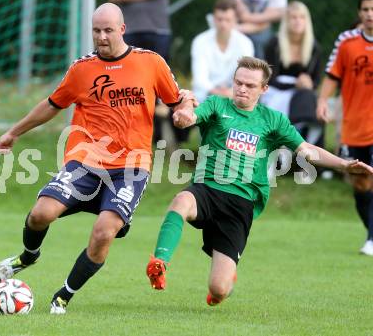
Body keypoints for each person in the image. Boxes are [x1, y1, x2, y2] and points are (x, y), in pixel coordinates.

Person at [0, 3, 191, 314]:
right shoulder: (82, 69)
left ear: (122, 29)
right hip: (85, 161)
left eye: (108, 30)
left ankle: (64, 296)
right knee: (41, 214)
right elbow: (53, 104)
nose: (102, 37)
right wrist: (14, 133)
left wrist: (184, 112)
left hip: (131, 167)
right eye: (96, 31)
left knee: (103, 232)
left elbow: (179, 100)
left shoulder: (150, 63)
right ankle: (29, 256)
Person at [145, 56, 373, 306]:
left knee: (219, 289)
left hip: (240, 203)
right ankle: (159, 262)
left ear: (264, 89)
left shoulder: (273, 120)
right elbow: (193, 116)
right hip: (207, 189)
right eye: (239, 82)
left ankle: (224, 283)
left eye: (250, 85)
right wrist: (184, 116)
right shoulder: (217, 105)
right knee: (181, 200)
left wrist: (343, 164)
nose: (242, 88)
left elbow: (306, 148)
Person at [317, 0, 373, 255]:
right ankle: (372, 234)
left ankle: (372, 239)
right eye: (365, 10)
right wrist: (322, 101)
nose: (369, 14)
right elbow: (332, 74)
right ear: (359, 13)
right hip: (354, 126)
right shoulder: (347, 41)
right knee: (361, 183)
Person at [106, 0, 189, 147]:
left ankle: (167, 140)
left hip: (159, 31)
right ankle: (124, 136)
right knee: (126, 85)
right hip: (128, 31)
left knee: (162, 85)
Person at [262, 1, 325, 168]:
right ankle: (283, 151)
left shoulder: (314, 47)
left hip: (302, 93)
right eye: (293, 17)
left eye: (301, 17)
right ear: (286, 21)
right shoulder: (274, 44)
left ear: (307, 21)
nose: (297, 21)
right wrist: (296, 85)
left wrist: (308, 84)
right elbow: (269, 77)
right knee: (297, 99)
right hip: (276, 90)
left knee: (310, 101)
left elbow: (316, 80)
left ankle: (311, 155)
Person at [191, 0, 254, 103]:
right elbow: (200, 79)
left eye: (228, 20)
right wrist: (217, 92)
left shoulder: (245, 43)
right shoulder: (200, 41)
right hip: (205, 96)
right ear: (214, 19)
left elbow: (246, 76)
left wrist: (231, 92)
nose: (223, 24)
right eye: (220, 19)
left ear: (235, 20)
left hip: (235, 95)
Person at [220, 0, 287, 59]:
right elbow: (230, 10)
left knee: (260, 41)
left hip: (258, 30)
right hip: (237, 26)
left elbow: (266, 22)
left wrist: (242, 24)